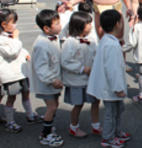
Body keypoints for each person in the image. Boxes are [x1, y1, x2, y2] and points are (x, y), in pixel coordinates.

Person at [87, 10, 131, 148]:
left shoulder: (106, 40)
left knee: (117, 111)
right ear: (118, 24)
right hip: (111, 87)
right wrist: (118, 88)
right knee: (111, 114)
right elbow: (113, 69)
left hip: (109, 86)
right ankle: (108, 138)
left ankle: (117, 133)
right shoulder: (111, 44)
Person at [61, 11, 101, 138]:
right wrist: (82, 68)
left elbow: (96, 55)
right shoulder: (70, 42)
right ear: (79, 26)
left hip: (91, 79)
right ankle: (73, 127)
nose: (91, 26)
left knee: (95, 102)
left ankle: (96, 125)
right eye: (88, 24)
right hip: (77, 80)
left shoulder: (92, 40)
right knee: (78, 104)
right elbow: (65, 61)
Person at [0, 9, 41, 133]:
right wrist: (16, 38)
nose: (15, 25)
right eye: (13, 22)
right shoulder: (2, 39)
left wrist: (26, 54)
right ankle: (10, 122)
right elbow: (11, 52)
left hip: (21, 71)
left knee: (26, 93)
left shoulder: (11, 36)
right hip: (11, 74)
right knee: (11, 97)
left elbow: (19, 49)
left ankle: (30, 115)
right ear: (4, 24)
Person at [31, 9, 64, 147]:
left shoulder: (53, 38)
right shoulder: (41, 45)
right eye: (56, 23)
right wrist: (52, 79)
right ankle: (45, 134)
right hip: (48, 83)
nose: (60, 25)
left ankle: (49, 127)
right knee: (52, 107)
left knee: (55, 105)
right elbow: (41, 67)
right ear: (46, 28)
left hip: (54, 81)